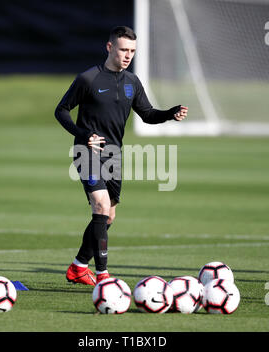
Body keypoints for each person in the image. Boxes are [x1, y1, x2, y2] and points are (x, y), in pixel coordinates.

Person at [54, 26, 188, 286]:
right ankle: (104, 276)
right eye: (124, 49)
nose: (128, 55)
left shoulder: (132, 82)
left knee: (108, 217)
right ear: (109, 47)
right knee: (101, 206)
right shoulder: (88, 78)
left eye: (132, 51)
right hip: (87, 152)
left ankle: (79, 266)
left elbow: (147, 114)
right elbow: (61, 111)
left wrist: (169, 113)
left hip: (114, 156)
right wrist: (83, 134)